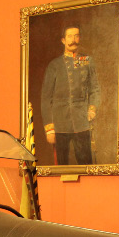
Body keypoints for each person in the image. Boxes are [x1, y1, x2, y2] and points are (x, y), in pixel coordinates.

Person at [41, 26, 101, 165]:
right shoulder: (54, 65)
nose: (73, 40)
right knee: (61, 166)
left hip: (81, 122)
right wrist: (49, 129)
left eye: (76, 36)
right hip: (60, 124)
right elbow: (45, 99)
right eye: (69, 36)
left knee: (86, 165)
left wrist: (92, 109)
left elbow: (95, 89)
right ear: (63, 40)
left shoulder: (87, 61)